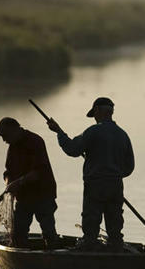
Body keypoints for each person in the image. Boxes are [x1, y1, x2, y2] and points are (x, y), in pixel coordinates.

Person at [47, 97, 134, 251]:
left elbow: (72, 149)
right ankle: (116, 248)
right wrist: (114, 175)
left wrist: (59, 132)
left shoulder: (93, 131)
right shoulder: (122, 135)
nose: (94, 118)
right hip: (116, 185)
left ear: (98, 110)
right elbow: (129, 166)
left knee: (91, 220)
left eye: (94, 114)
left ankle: (89, 247)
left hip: (95, 183)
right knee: (115, 221)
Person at [0, 117, 59, 249]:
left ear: (14, 129)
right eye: (2, 136)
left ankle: (52, 252)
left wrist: (18, 183)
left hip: (43, 193)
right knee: (18, 232)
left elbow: (38, 172)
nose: (4, 140)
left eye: (5, 135)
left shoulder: (35, 141)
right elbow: (8, 172)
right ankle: (20, 252)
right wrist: (8, 184)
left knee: (48, 230)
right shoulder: (12, 146)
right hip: (24, 196)